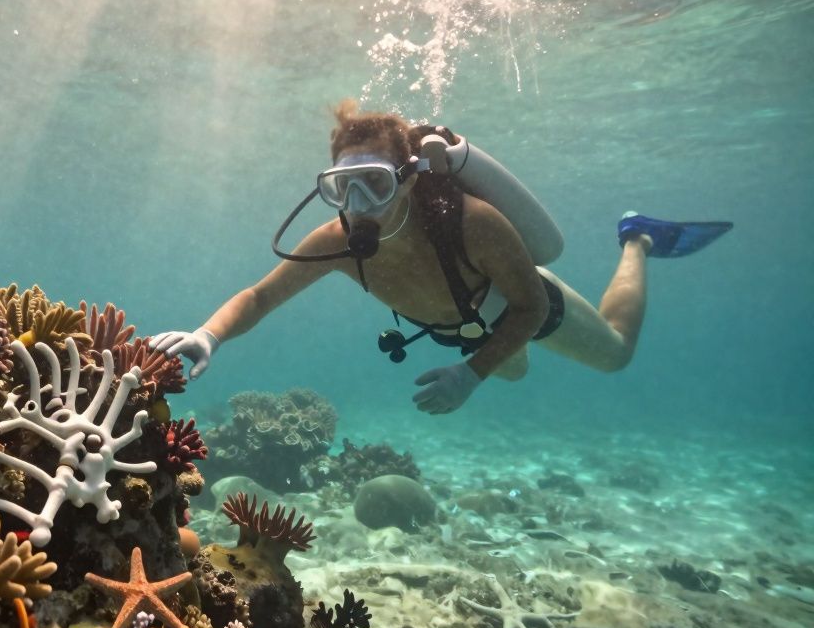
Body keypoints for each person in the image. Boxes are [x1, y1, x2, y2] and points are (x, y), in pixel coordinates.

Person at [151, 101, 731, 415]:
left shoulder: (472, 223)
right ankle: (495, 363)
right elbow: (260, 295)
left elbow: (526, 305)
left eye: (373, 184)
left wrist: (469, 376)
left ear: (407, 180)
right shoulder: (334, 239)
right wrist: (210, 334)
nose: (357, 206)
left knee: (614, 355)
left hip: (523, 302)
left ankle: (638, 239)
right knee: (515, 371)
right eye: (342, 186)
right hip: (469, 333)